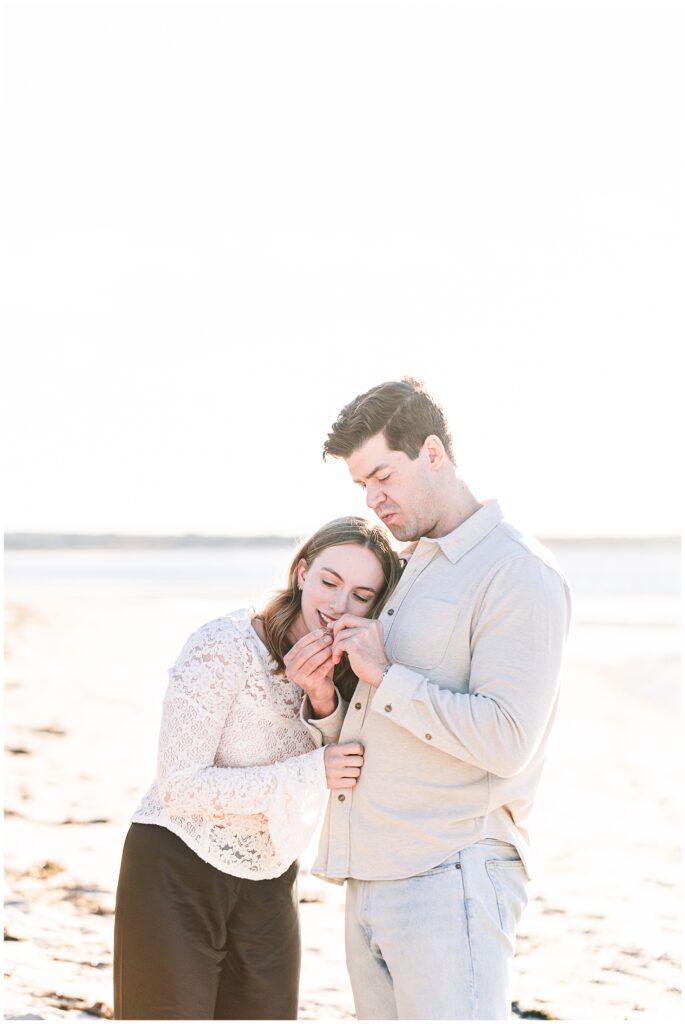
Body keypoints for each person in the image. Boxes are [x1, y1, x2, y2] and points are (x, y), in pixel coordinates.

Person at [301, 378, 572, 1020]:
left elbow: (507, 740)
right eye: (362, 486)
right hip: (370, 875)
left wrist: (386, 675)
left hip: (450, 878)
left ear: (431, 452)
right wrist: (323, 704)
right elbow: (381, 724)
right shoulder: (411, 566)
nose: (374, 500)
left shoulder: (517, 573)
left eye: (383, 476)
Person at [113, 516, 401, 1021]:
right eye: (329, 582)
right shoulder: (221, 646)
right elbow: (180, 786)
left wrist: (320, 695)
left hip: (270, 875)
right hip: (174, 867)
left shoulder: (356, 670)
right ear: (302, 572)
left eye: (360, 595)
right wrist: (312, 771)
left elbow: (348, 762)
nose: (337, 606)